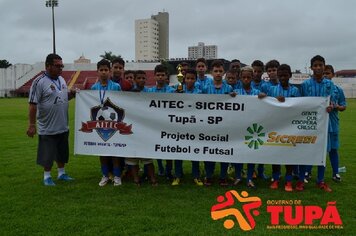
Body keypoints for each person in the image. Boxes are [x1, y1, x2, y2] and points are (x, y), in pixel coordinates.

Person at [27, 53, 76, 186]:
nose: (61, 68)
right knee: (47, 153)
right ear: (48, 66)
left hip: (63, 124)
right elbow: (32, 104)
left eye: (62, 66)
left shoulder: (62, 80)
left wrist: (71, 95)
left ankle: (61, 173)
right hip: (47, 126)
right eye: (57, 66)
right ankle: (47, 176)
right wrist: (31, 125)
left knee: (62, 152)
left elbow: (64, 98)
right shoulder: (39, 82)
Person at [300, 55, 336, 192]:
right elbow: (301, 103)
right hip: (308, 124)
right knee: (305, 151)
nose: (318, 68)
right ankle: (301, 180)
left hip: (324, 123)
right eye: (315, 65)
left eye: (320, 65)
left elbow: (331, 101)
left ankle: (320, 181)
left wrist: (331, 106)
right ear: (311, 68)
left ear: (324, 66)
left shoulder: (330, 84)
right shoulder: (305, 85)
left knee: (322, 153)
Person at [267, 64, 302, 192]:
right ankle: (275, 179)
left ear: (290, 75)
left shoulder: (295, 91)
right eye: (280, 75)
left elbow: (299, 107)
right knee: (276, 154)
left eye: (285, 75)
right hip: (275, 126)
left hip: (291, 127)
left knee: (289, 155)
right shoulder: (272, 90)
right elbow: (267, 105)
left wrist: (286, 101)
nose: (282, 77)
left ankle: (288, 181)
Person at [232, 66, 266, 188]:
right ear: (240, 78)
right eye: (244, 77)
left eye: (248, 77)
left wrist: (264, 98)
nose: (246, 79)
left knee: (251, 153)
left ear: (252, 78)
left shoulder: (257, 93)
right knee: (238, 153)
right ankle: (238, 176)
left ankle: (250, 178)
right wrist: (231, 97)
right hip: (239, 127)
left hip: (253, 128)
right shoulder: (236, 92)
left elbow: (266, 105)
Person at [91, 59, 122, 186]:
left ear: (110, 72)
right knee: (102, 151)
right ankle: (104, 175)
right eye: (101, 70)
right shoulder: (93, 88)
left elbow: (120, 105)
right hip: (100, 124)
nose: (104, 72)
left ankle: (117, 176)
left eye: (106, 70)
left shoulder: (116, 86)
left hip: (113, 123)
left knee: (115, 152)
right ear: (97, 72)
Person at [202, 60, 233, 186]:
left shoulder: (229, 88)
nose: (218, 73)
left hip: (224, 126)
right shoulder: (205, 88)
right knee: (209, 152)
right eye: (216, 71)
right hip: (209, 126)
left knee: (224, 152)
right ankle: (208, 176)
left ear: (224, 72)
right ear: (211, 73)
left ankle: (223, 176)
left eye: (220, 71)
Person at [171, 68, 204, 186]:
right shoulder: (178, 90)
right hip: (180, 126)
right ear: (184, 79)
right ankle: (177, 176)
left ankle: (196, 176)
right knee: (178, 151)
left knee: (194, 151)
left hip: (194, 126)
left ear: (196, 79)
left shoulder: (199, 92)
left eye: (192, 78)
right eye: (188, 78)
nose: (190, 80)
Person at [126, 70, 158, 186]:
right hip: (132, 129)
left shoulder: (149, 92)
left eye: (143, 78)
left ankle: (152, 178)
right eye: (139, 78)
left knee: (147, 158)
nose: (141, 80)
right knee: (132, 157)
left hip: (146, 129)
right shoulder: (128, 93)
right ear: (134, 79)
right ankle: (136, 179)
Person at [148, 64, 175, 179]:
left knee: (169, 150)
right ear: (154, 76)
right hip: (154, 125)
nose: (160, 77)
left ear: (166, 77)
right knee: (157, 148)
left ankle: (169, 171)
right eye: (158, 75)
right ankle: (160, 168)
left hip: (168, 125)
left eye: (162, 75)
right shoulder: (149, 92)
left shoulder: (172, 91)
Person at [323, 64, 347, 182]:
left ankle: (335, 173)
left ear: (333, 75)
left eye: (328, 73)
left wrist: (337, 106)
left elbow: (344, 106)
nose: (325, 75)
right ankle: (308, 173)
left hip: (333, 123)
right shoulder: (318, 88)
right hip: (319, 124)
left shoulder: (338, 90)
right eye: (324, 73)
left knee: (333, 149)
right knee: (317, 148)